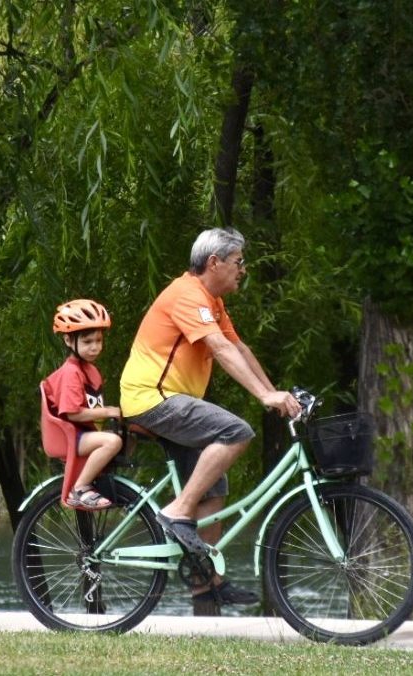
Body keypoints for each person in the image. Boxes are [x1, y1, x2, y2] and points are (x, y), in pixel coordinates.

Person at [120, 228, 301, 605]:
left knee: (214, 488)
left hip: (174, 400)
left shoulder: (212, 302)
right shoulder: (187, 294)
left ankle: (207, 584)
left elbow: (238, 347)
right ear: (214, 262)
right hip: (152, 398)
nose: (243, 269)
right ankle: (178, 510)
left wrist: (275, 394)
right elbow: (218, 347)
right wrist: (264, 395)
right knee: (236, 431)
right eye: (238, 262)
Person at [42, 299, 125, 511]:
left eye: (98, 340)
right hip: (70, 436)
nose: (95, 347)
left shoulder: (90, 370)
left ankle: (103, 479)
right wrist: (108, 411)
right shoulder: (71, 372)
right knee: (112, 441)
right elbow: (73, 414)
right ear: (69, 340)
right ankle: (80, 488)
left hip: (82, 434)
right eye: (87, 341)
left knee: (127, 435)